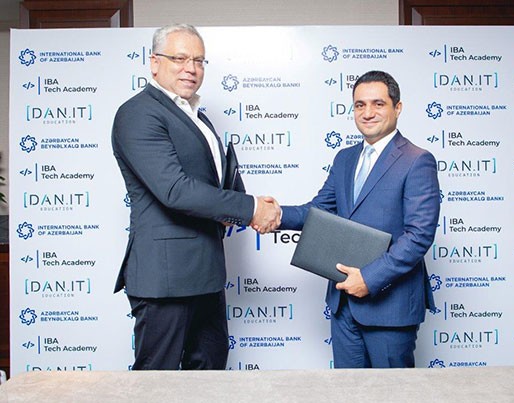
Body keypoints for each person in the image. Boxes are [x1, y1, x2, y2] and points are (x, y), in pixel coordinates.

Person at [111, 23, 280, 370]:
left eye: (199, 60)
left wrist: (235, 206)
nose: (191, 68)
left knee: (209, 379)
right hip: (165, 279)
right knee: (157, 383)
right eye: (180, 58)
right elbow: (175, 190)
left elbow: (211, 184)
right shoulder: (138, 113)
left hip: (207, 274)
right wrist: (249, 208)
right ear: (154, 63)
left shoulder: (197, 117)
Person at [278, 71, 440, 368]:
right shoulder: (345, 158)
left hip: (390, 307)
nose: (367, 113)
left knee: (392, 391)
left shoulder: (417, 160)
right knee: (348, 390)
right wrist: (273, 214)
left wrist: (368, 278)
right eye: (360, 105)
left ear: (398, 108)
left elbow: (419, 236)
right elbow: (318, 211)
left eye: (378, 104)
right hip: (343, 306)